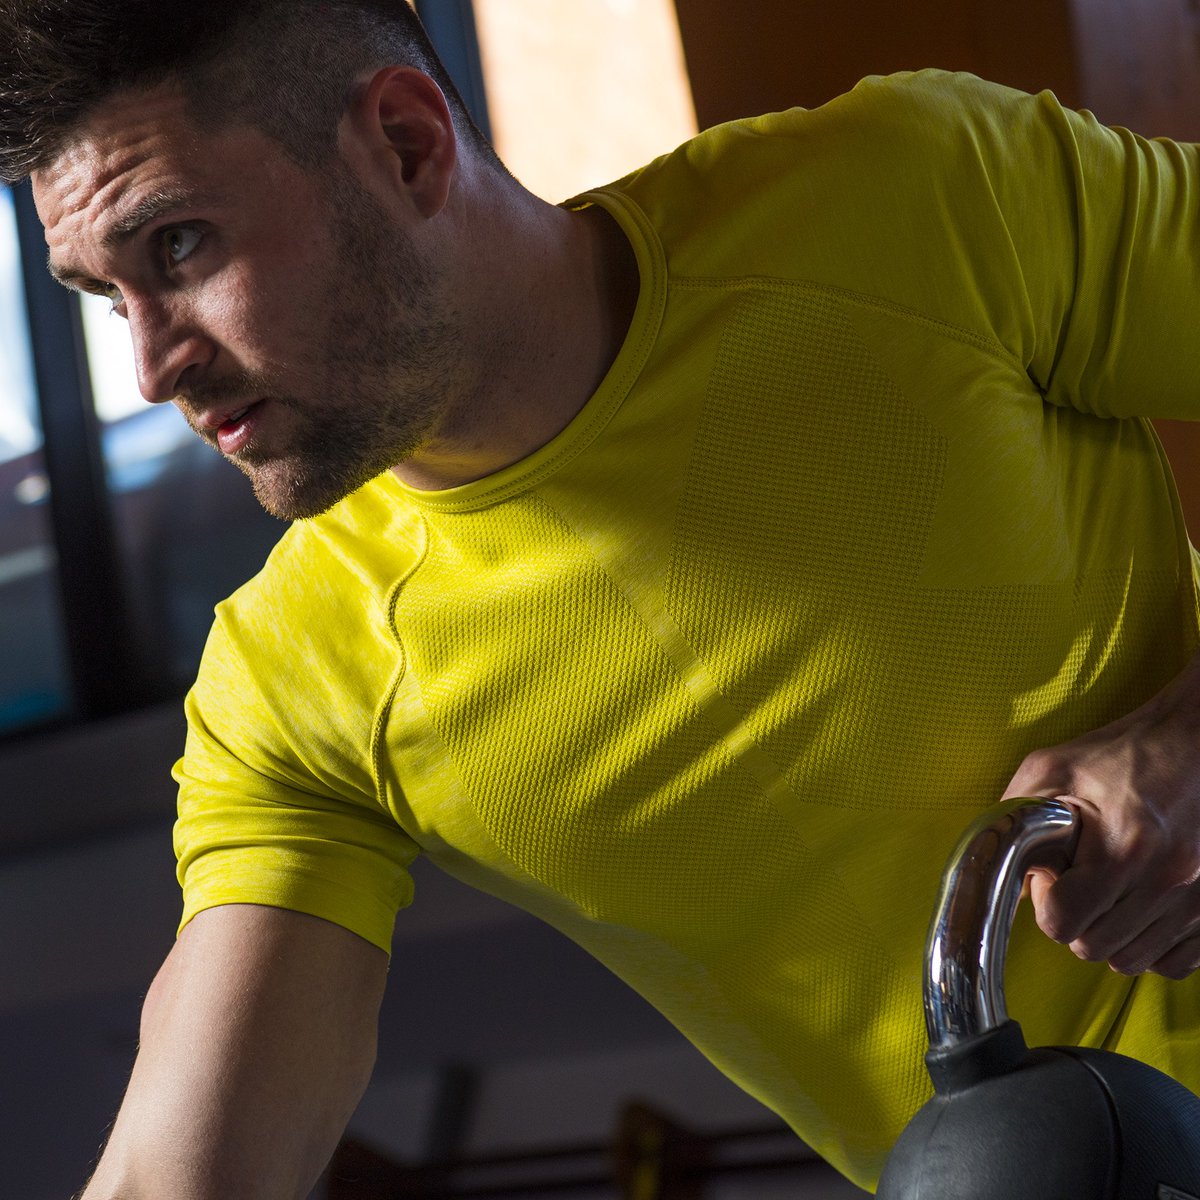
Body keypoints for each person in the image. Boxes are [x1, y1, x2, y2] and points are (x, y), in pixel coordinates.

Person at [3, 1, 1200, 1195]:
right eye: (107, 300)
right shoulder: (294, 687)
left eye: (178, 247)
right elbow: (181, 1175)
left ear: (407, 146)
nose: (155, 365)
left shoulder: (917, 196)